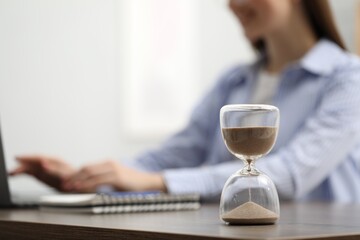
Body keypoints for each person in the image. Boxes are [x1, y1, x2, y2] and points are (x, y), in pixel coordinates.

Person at [10, 0, 360, 202]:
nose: (232, 4)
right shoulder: (234, 81)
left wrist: (159, 182)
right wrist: (88, 179)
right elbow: (174, 155)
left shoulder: (348, 78)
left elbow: (291, 173)